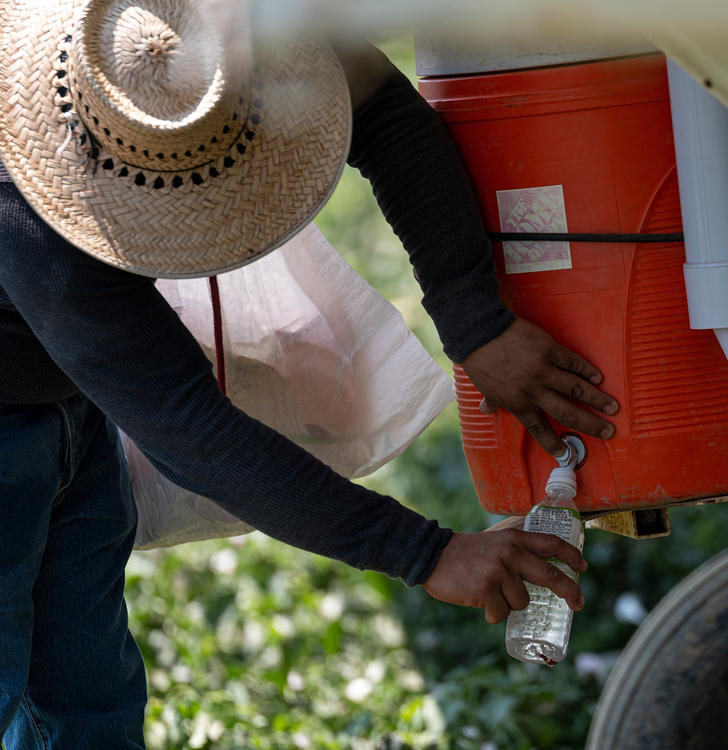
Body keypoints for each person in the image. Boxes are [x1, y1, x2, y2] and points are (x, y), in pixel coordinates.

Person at [0, 0, 618, 747]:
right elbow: (194, 431)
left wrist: (473, 317)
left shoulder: (201, 27)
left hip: (66, 403)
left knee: (88, 704)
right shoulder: (38, 227)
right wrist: (425, 553)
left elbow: (384, 113)